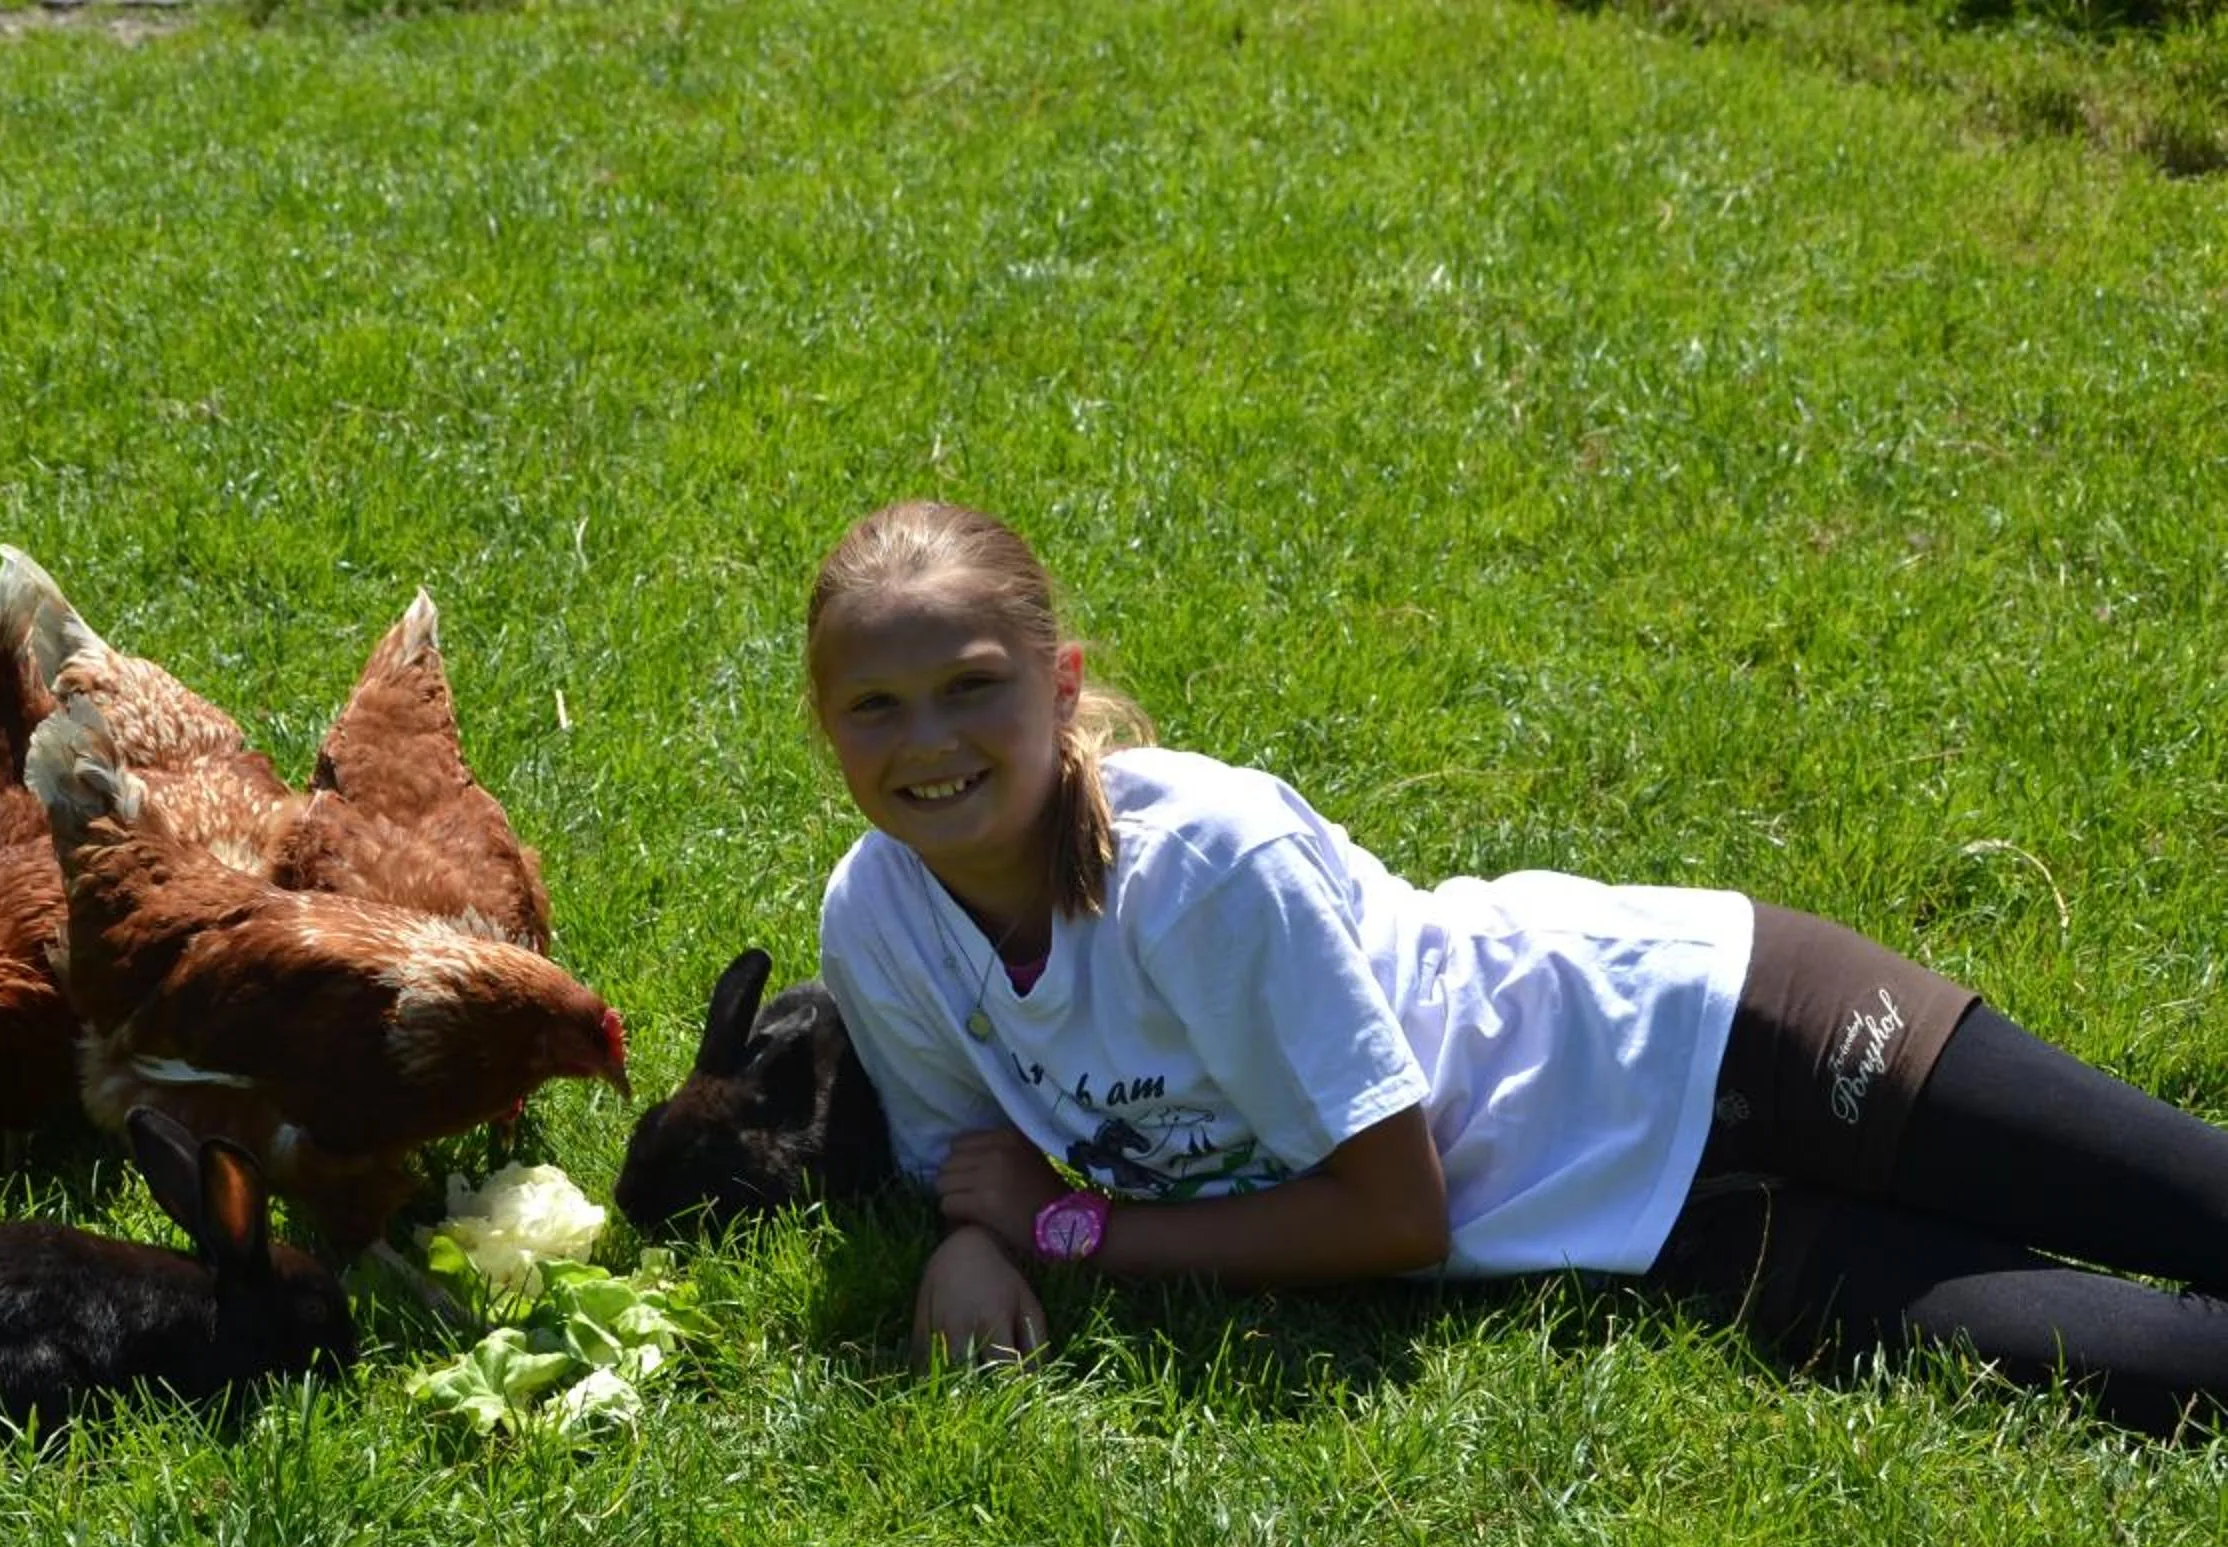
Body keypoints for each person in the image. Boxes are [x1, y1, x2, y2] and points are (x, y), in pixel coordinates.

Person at [809, 499, 2228, 1431]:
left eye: (972, 686)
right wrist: (972, 1238)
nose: (929, 742)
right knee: (2177, 1378)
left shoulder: (1205, 867)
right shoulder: (876, 918)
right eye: (876, 707)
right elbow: (977, 1153)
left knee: (2200, 1208)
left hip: (1730, 1035)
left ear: (1058, 687)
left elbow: (1393, 1218)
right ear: (829, 734)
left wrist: (1081, 1238)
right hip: (1659, 1230)